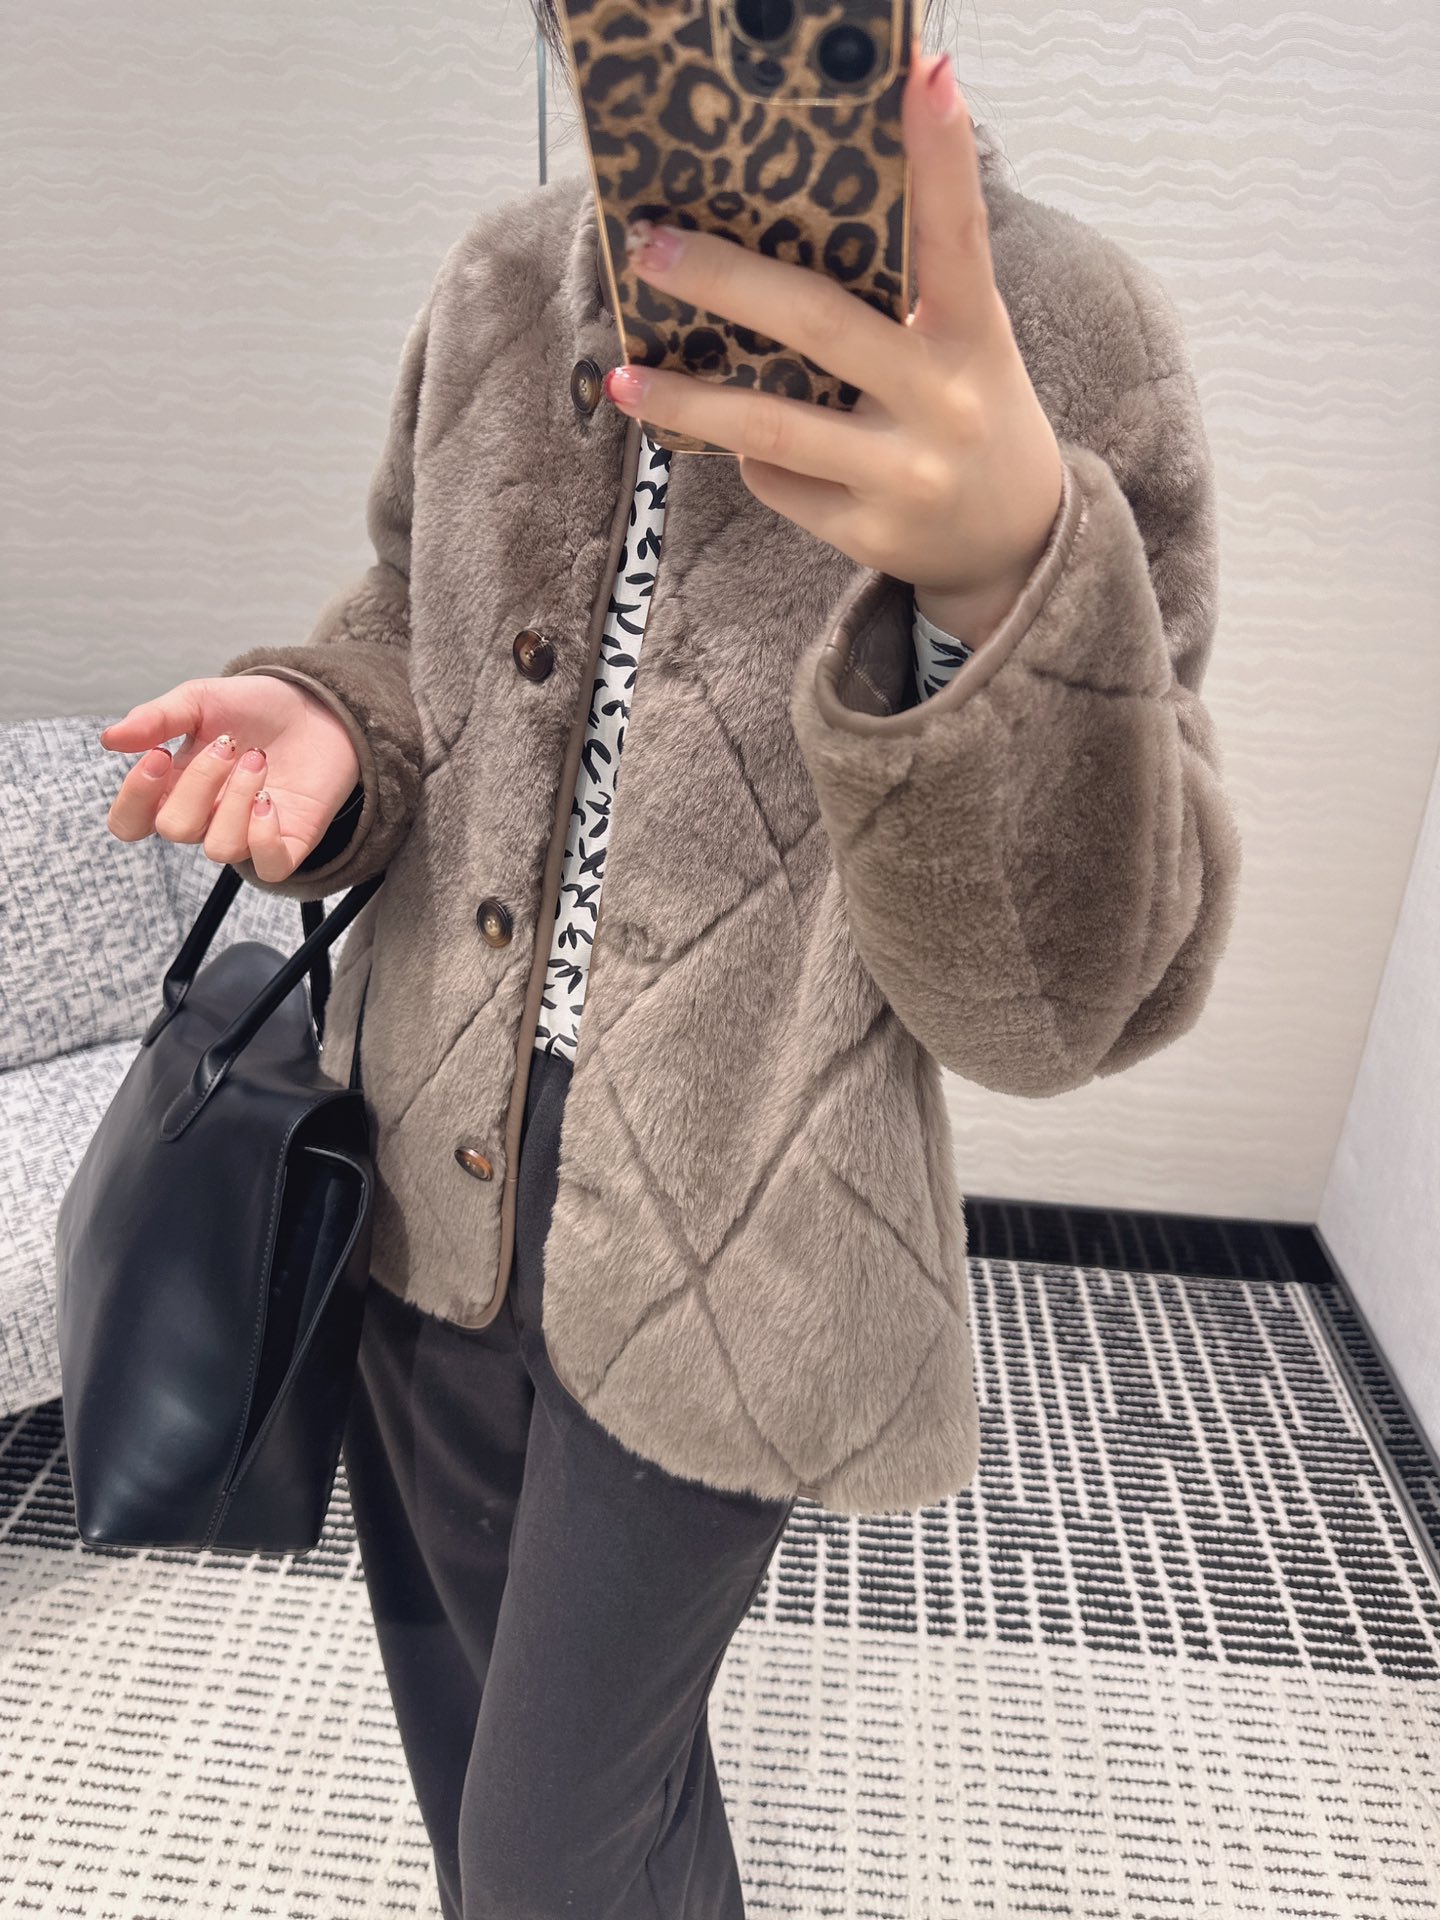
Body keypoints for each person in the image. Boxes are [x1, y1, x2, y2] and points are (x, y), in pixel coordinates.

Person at [97, 6, 1243, 1914]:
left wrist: (1003, 586)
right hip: (424, 1168)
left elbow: (1065, 1004)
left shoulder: (1071, 336)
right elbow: (411, 618)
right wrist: (335, 720)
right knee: (478, 1759)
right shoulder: (495, 284)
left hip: (747, 1228)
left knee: (549, 1852)